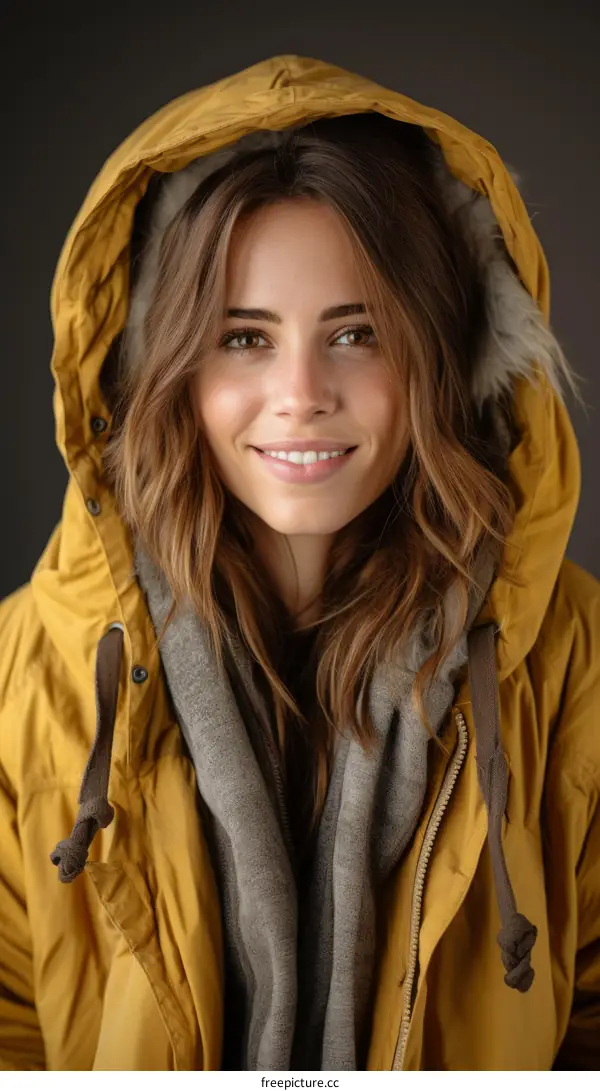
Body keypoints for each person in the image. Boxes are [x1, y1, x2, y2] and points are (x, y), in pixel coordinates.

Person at [0, 53, 598, 1073]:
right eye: (243, 337)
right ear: (167, 367)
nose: (301, 391)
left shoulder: (570, 652)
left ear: (443, 356)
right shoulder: (33, 660)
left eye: (357, 332)